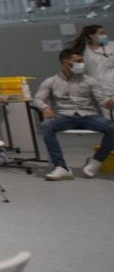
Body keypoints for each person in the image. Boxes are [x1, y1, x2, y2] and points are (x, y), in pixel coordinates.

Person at [33, 48, 114, 181]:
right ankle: (61, 167)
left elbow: (103, 100)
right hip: (63, 116)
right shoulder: (51, 81)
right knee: (47, 126)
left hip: (89, 116)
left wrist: (110, 103)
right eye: (78, 61)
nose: (82, 63)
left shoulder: (89, 80)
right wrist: (45, 107)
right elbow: (37, 99)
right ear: (66, 62)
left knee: (112, 127)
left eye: (82, 60)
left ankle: (96, 161)